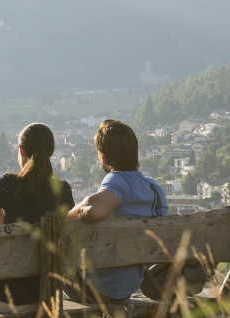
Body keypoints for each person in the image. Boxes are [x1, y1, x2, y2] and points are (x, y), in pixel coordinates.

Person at [0, 123, 75, 311]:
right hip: (47, 294)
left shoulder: (9, 184)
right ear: (51, 152)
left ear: (21, 150)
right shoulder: (64, 191)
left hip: (4, 297)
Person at [66, 118, 168, 302]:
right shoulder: (155, 189)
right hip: (127, 287)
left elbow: (95, 211)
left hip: (95, 288)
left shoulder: (117, 179)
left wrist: (67, 216)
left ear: (103, 157)